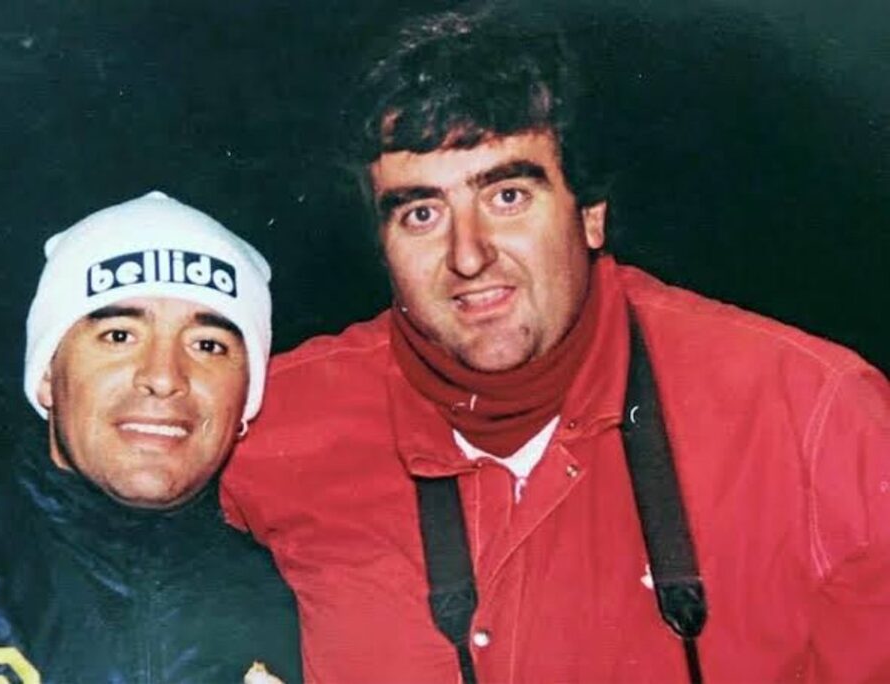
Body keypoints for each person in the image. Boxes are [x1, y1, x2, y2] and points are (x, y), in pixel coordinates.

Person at [220, 10, 890, 683]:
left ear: (590, 214)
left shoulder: (813, 421)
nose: (468, 255)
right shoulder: (271, 417)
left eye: (508, 196)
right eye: (421, 213)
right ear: (382, 244)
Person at [0, 191, 301, 684]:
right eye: (119, 336)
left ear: (246, 398)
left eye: (208, 345)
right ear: (47, 375)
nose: (163, 376)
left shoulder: (306, 603)